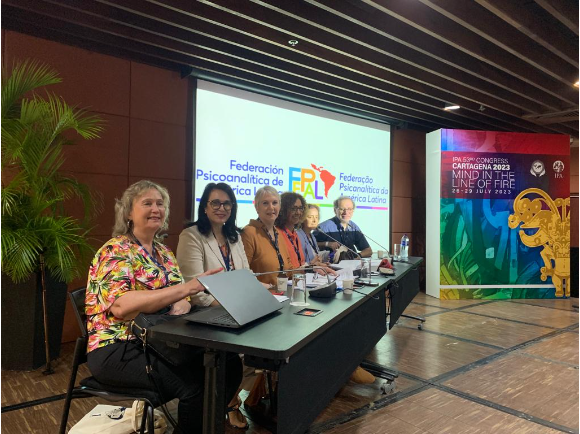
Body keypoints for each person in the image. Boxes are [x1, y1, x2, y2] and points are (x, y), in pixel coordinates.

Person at [85, 180, 243, 432]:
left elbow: (181, 297)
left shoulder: (163, 252)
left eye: (160, 204)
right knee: (195, 386)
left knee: (229, 364)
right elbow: (122, 307)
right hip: (118, 347)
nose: (156, 209)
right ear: (128, 212)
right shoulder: (115, 251)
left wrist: (182, 299)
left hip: (162, 340)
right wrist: (184, 290)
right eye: (147, 203)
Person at [175, 182, 251, 428]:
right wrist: (235, 303)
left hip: (235, 310)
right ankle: (223, 408)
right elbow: (196, 291)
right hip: (205, 315)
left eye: (227, 203)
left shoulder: (234, 236)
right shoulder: (191, 236)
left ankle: (227, 403)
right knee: (239, 357)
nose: (222, 208)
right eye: (215, 203)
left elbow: (246, 275)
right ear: (205, 207)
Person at [241, 186, 293, 289]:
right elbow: (243, 273)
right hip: (260, 295)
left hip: (283, 293)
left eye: (275, 203)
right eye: (265, 203)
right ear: (257, 207)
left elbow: (289, 270)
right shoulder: (249, 233)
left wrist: (310, 268)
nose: (271, 207)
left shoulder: (279, 233)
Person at [276, 193, 335, 274]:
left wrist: (315, 266)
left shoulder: (295, 234)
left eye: (300, 208)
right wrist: (311, 266)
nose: (298, 212)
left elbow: (301, 266)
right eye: (293, 209)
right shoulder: (278, 234)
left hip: (301, 278)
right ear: (283, 210)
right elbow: (286, 270)